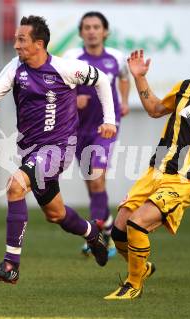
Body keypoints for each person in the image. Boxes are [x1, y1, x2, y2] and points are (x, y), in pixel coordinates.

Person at [0, 15, 117, 284]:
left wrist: (109, 120)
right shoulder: (16, 68)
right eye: (16, 39)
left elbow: (100, 80)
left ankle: (11, 265)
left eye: (21, 40)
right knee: (56, 215)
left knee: (15, 185)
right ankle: (92, 233)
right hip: (31, 151)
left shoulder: (64, 69)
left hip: (58, 149)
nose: (16, 45)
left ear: (39, 44)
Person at [105, 40, 190, 299]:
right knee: (120, 230)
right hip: (155, 171)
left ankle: (133, 286)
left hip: (185, 182)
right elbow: (155, 109)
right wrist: (139, 78)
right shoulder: (187, 88)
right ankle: (142, 268)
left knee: (138, 223)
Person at [63, 11, 130, 258]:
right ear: (81, 33)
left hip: (107, 125)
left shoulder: (116, 58)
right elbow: (59, 84)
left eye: (96, 27)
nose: (91, 31)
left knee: (97, 178)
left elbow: (124, 77)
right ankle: (108, 231)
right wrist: (72, 98)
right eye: (87, 27)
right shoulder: (71, 58)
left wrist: (124, 101)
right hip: (78, 127)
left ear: (105, 32)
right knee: (92, 184)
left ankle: (96, 236)